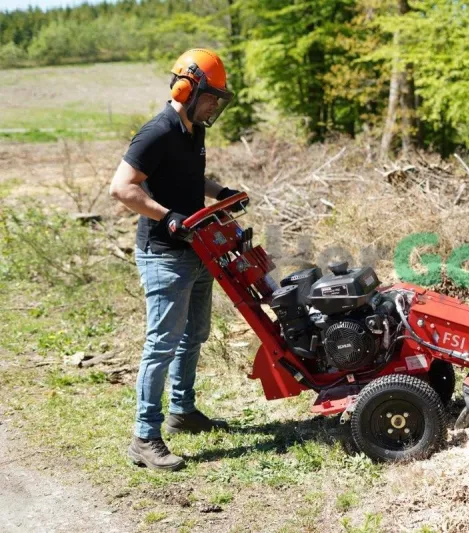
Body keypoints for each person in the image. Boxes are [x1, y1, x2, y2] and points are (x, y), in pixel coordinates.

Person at [109, 48, 245, 471]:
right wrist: (167, 216)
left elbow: (186, 177)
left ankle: (182, 410)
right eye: (211, 97)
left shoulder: (193, 130)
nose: (214, 106)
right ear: (188, 88)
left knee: (195, 334)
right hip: (164, 254)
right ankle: (145, 437)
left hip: (197, 248)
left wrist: (219, 192)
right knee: (161, 344)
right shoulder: (158, 131)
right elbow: (122, 188)